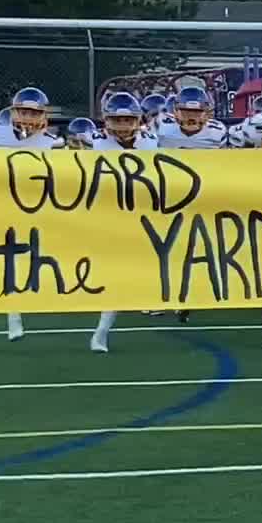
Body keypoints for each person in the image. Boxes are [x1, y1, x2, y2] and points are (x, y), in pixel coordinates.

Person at [0, 88, 62, 342]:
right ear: (14, 112)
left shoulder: (53, 143)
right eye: (24, 111)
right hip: (5, 204)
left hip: (42, 206)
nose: (28, 117)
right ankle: (13, 317)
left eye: (33, 112)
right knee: (10, 259)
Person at [85, 92, 159, 354]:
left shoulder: (150, 141)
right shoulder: (95, 141)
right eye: (117, 120)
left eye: (129, 120)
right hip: (103, 212)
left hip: (139, 212)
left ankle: (101, 332)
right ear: (106, 120)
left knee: (121, 271)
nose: (124, 126)